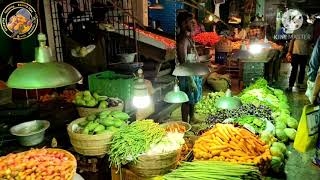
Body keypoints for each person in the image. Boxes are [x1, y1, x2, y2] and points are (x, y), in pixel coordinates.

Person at [176, 12, 202, 123]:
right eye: (191, 22)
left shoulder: (188, 37)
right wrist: (191, 80)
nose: (194, 24)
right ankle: (185, 123)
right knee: (186, 99)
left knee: (192, 97)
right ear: (183, 24)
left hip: (192, 71)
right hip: (187, 75)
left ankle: (192, 118)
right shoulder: (182, 40)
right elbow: (183, 62)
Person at [286, 16, 313, 91]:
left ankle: (300, 83)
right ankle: (290, 85)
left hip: (305, 53)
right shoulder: (296, 29)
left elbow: (311, 40)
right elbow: (292, 41)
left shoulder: (310, 28)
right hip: (295, 53)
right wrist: (289, 52)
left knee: (302, 69)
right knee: (294, 69)